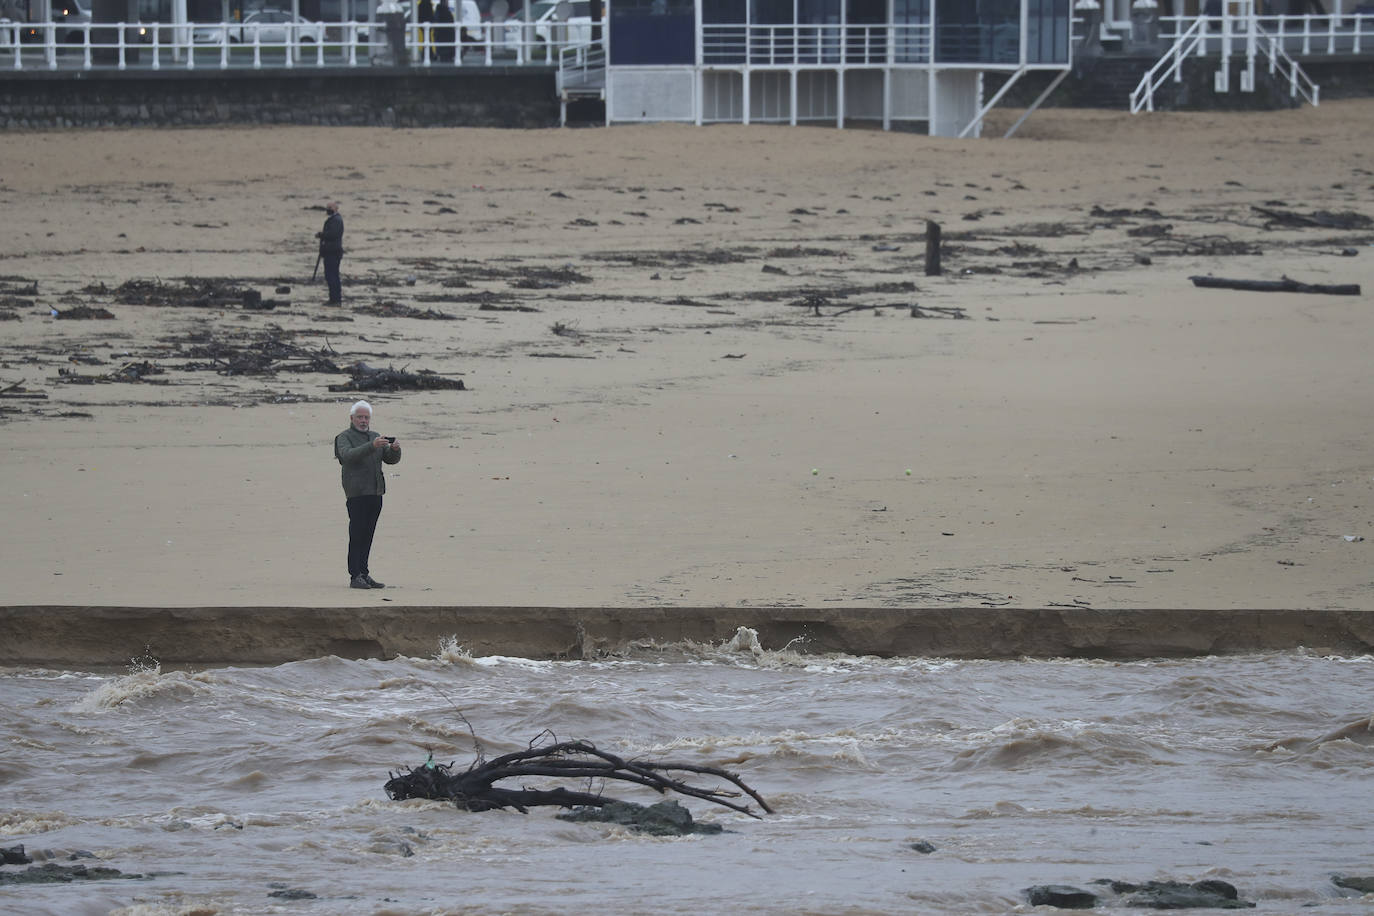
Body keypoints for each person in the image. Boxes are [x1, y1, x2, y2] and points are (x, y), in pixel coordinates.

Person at [334, 400, 401, 589]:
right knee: (357, 535)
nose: (363, 421)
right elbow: (347, 456)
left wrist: (395, 450)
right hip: (356, 493)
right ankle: (355, 575)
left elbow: (389, 459)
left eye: (366, 417)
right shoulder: (344, 437)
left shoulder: (375, 436)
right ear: (352, 418)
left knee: (368, 535)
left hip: (376, 491)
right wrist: (372, 446)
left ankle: (364, 573)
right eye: (360, 417)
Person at [317, 200, 344, 305]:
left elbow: (333, 235)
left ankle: (335, 300)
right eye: (327, 208)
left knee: (332, 276)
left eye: (330, 208)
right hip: (330, 251)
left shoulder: (336, 220)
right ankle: (334, 299)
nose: (328, 210)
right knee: (331, 276)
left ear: (336, 209)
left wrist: (322, 235)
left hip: (333, 252)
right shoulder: (334, 219)